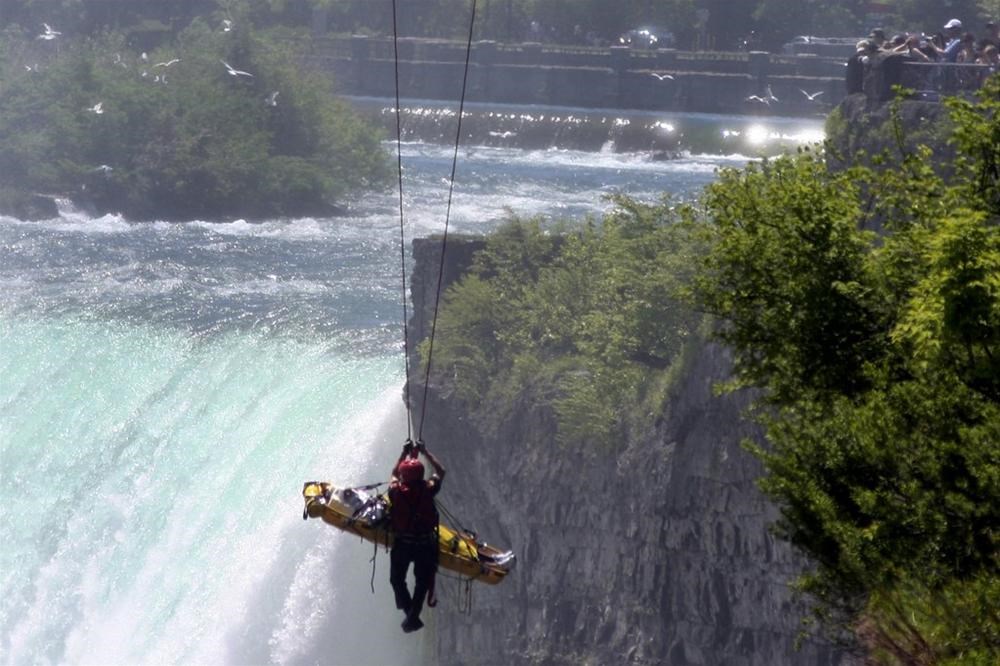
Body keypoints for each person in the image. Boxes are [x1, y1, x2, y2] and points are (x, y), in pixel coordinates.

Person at [388, 438, 446, 633]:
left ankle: (410, 615)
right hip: (425, 545)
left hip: (404, 544)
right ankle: (412, 616)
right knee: (422, 582)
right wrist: (425, 452)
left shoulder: (396, 491)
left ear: (405, 476)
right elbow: (441, 472)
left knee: (397, 580)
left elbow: (394, 474)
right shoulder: (428, 489)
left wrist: (404, 454)